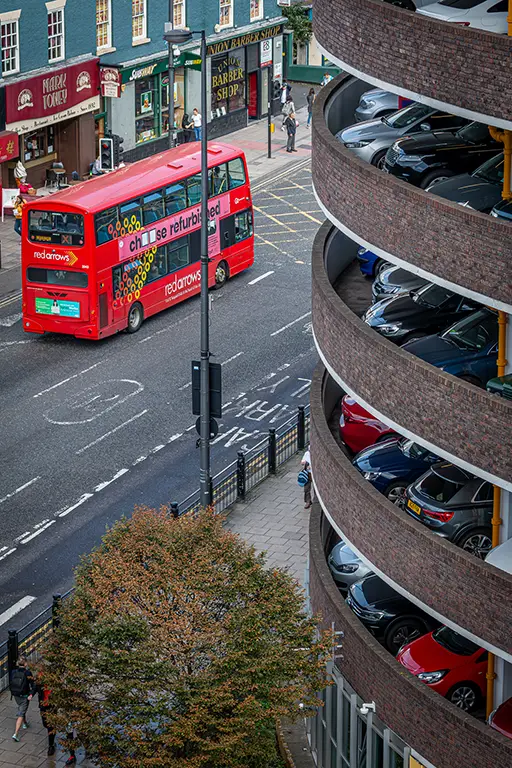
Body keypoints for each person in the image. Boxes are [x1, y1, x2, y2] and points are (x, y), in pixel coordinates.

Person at [10, 655, 36, 742]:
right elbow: (33, 685)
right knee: (21, 713)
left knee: (22, 708)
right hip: (24, 696)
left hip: (15, 695)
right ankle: (16, 734)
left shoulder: (13, 672)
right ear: (25, 664)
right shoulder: (28, 673)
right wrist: (31, 694)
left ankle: (25, 723)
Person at [35, 672, 56, 756]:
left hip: (51, 707)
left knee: (50, 727)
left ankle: (51, 746)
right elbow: (35, 688)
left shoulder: (53, 685)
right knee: (46, 724)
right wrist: (30, 694)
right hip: (43, 706)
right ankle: (51, 739)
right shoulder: (40, 684)